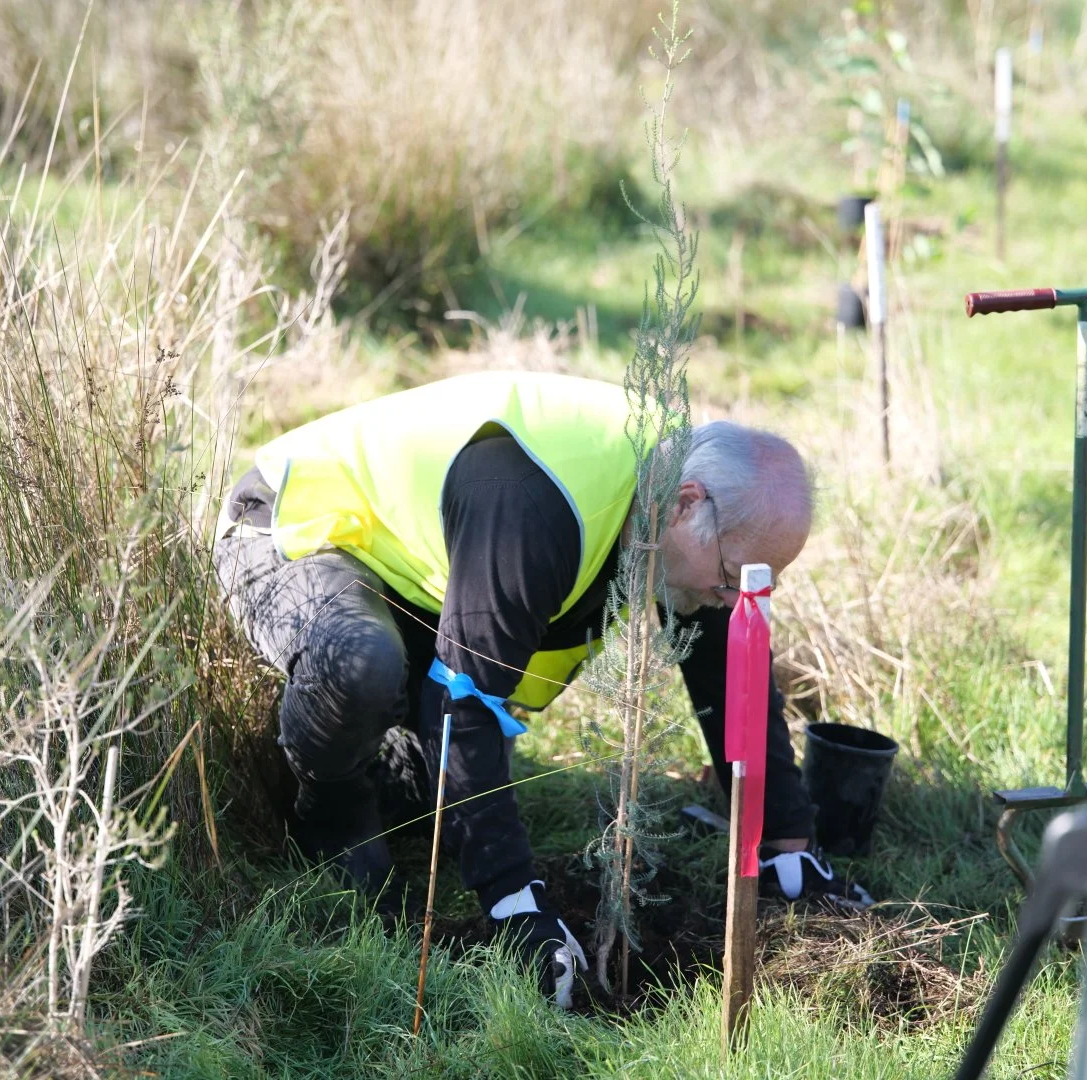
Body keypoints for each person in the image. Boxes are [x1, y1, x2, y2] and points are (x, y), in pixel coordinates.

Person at [212, 370, 873, 1007]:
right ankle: (328, 814)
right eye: (732, 577)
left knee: (434, 783)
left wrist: (783, 840)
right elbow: (464, 701)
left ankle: (368, 760)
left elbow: (730, 666)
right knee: (362, 665)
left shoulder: (691, 501)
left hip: (417, 578)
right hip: (296, 529)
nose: (732, 597)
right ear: (685, 505)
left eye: (756, 583)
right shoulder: (538, 505)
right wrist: (515, 905)